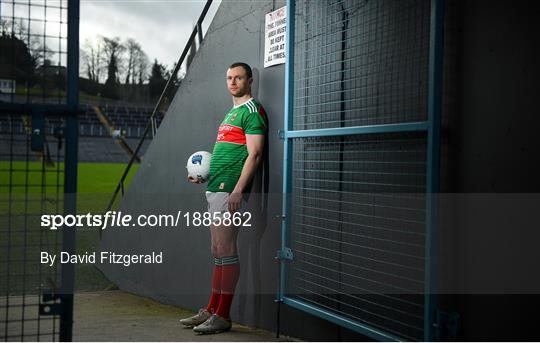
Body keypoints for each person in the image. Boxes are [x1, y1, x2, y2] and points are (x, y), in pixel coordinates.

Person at [180, 62, 267, 334]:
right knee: (217, 251)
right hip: (216, 188)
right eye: (229, 77)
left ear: (249, 80)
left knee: (227, 250)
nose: (233, 82)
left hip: (230, 190)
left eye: (238, 77)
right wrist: (203, 176)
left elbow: (254, 154)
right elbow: (228, 153)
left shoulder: (252, 111)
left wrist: (239, 189)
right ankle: (211, 309)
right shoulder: (232, 113)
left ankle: (223, 315)